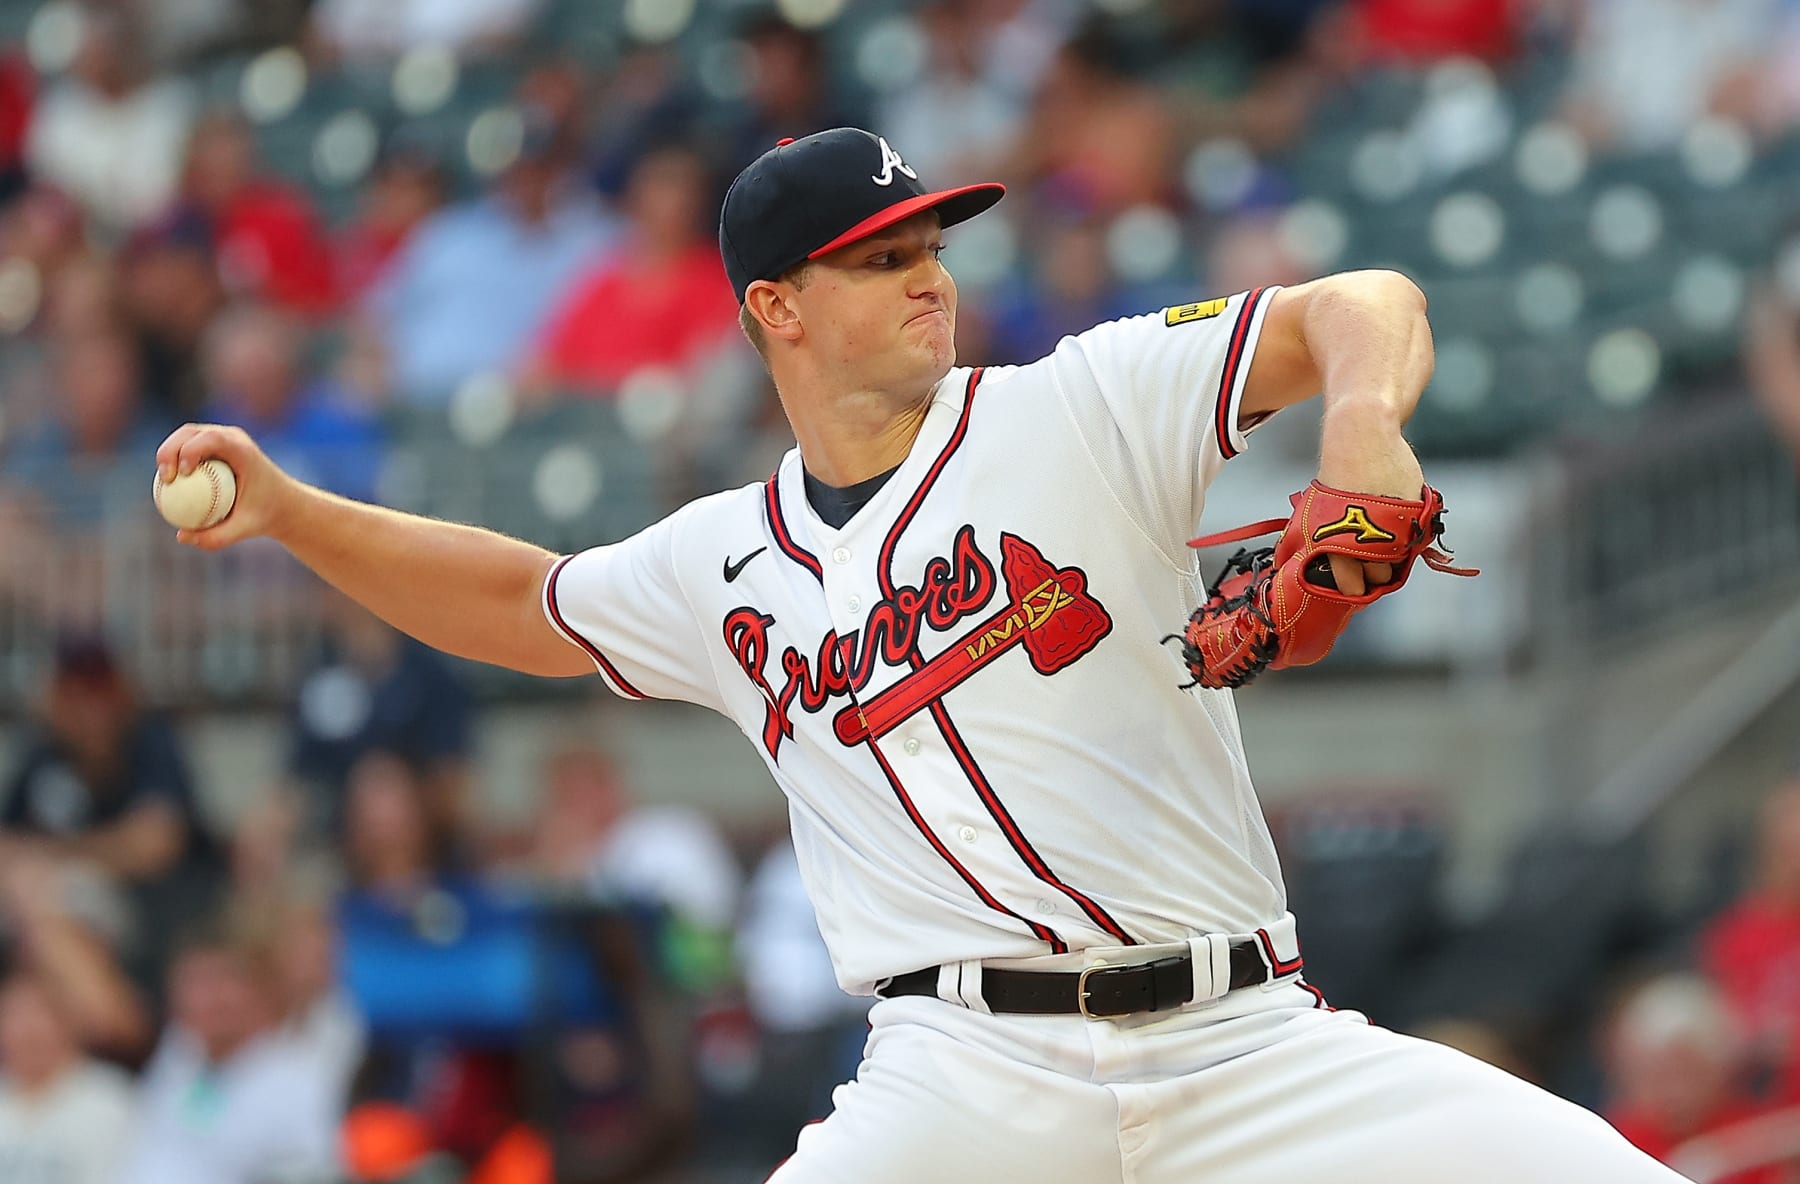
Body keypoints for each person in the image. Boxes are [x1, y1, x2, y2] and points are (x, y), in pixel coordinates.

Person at [156, 127, 1687, 1180]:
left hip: (1246, 1045)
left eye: (928, 240)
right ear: (777, 310)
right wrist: (293, 511)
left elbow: (1364, 305)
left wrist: (1363, 424)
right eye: (877, 255)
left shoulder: (1077, 403)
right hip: (964, 1083)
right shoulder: (720, 562)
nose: (927, 273)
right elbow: (525, 605)